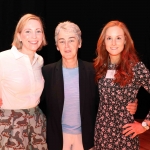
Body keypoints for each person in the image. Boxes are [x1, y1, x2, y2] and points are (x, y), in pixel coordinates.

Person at [39, 21, 137, 150]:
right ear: (57, 46)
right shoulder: (46, 72)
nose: (67, 46)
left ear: (79, 43)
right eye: (62, 41)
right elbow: (35, 101)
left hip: (86, 139)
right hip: (57, 139)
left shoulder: (94, 71)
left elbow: (109, 95)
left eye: (72, 40)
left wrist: (132, 101)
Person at [94, 20, 150, 150]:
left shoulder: (135, 67)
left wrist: (145, 125)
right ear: (104, 42)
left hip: (125, 134)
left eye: (118, 38)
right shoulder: (100, 67)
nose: (113, 43)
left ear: (125, 41)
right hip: (102, 134)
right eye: (109, 38)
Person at [0, 14, 48, 150]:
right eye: (28, 31)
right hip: (10, 126)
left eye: (38, 31)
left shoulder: (39, 61)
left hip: (36, 123)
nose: (34, 36)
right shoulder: (3, 59)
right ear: (19, 35)